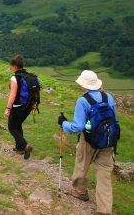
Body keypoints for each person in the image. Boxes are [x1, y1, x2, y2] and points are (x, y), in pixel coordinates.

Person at [58, 70, 117, 215]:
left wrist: (64, 123)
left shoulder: (83, 101)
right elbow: (115, 120)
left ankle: (80, 192)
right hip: (108, 140)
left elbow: (78, 127)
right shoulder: (108, 97)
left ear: (84, 85)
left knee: (82, 164)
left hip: (89, 140)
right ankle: (104, 210)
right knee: (104, 174)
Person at [4, 55, 36, 159]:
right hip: (28, 106)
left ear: (14, 66)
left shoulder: (15, 78)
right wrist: (34, 104)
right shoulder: (30, 76)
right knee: (18, 124)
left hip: (18, 106)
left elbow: (13, 95)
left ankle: (25, 145)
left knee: (12, 127)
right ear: (23, 65)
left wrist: (7, 109)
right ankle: (19, 148)